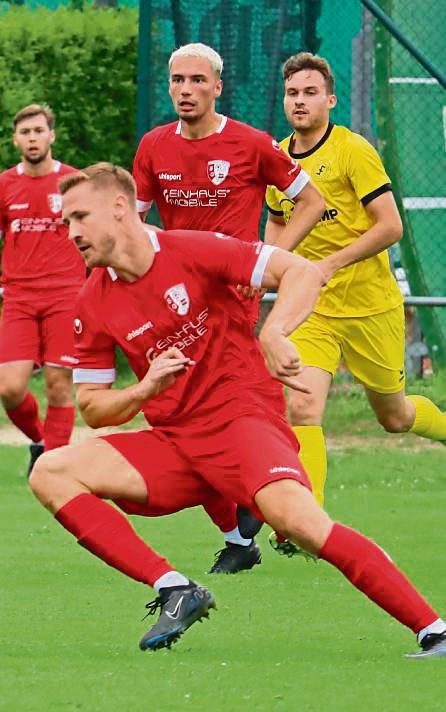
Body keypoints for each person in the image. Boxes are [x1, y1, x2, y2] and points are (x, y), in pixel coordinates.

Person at [27, 161, 446, 658]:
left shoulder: (192, 249)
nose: (70, 232)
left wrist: (274, 331)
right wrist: (145, 388)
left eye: (79, 217)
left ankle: (434, 630)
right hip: (178, 444)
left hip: (242, 421)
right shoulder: (90, 302)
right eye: (65, 221)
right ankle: (174, 588)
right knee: (50, 472)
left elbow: (301, 272)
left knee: (300, 525)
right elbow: (93, 409)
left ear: (120, 207)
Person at [131, 43, 327, 573]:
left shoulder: (250, 142)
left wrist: (270, 262)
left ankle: (281, 504)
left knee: (250, 403)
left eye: (197, 80)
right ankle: (240, 535)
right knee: (184, 416)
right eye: (176, 80)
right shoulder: (152, 147)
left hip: (235, 300)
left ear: (218, 87)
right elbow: (132, 222)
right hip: (176, 301)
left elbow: (312, 202)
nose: (185, 90)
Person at [264, 52, 446, 557]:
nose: (299, 101)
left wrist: (330, 264)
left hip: (370, 307)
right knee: (302, 403)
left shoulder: (353, 150)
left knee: (395, 416)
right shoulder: (277, 158)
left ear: (330, 99)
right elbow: (278, 223)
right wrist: (269, 267)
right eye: (292, 93)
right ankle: (309, 526)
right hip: (312, 309)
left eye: (309, 92)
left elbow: (390, 226)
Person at [0, 104, 84, 475]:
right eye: (25, 132)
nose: (32, 138)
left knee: (58, 386)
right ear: (15, 139)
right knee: (9, 388)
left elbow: (96, 236)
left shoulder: (73, 182)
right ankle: (40, 440)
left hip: (67, 295)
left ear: (51, 135)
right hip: (18, 298)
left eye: (39, 131)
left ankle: (54, 468)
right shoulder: (4, 184)